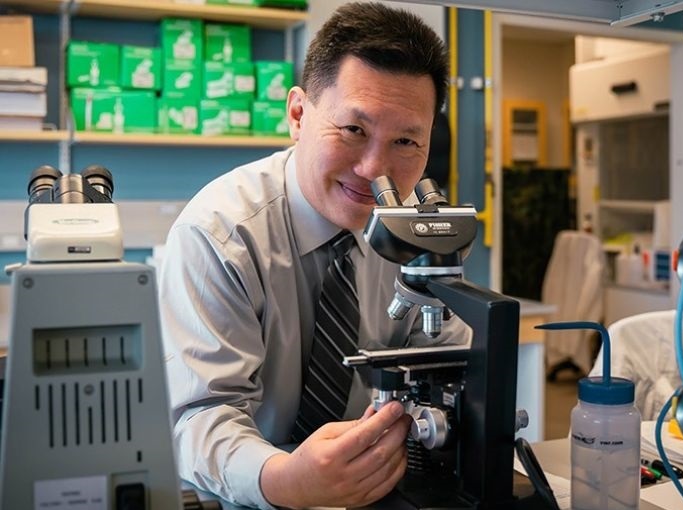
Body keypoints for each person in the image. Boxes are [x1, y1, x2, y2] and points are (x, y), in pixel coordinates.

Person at [159, 3, 471, 508]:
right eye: (353, 131)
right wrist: (286, 481)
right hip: (244, 495)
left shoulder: (417, 230)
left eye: (406, 141)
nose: (375, 169)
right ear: (299, 114)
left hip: (373, 489)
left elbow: (452, 363)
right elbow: (199, 416)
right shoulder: (219, 234)